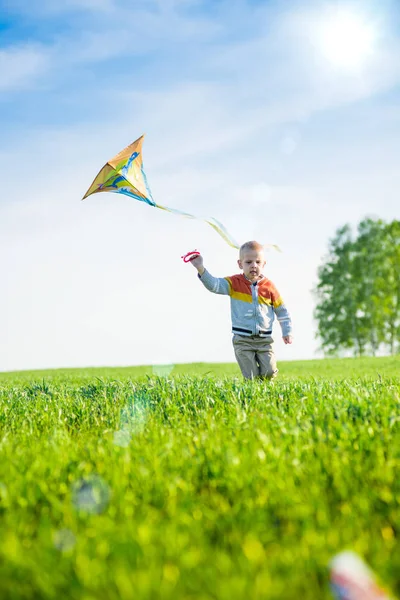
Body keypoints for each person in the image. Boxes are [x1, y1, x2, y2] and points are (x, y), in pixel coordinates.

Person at [187, 240, 293, 380]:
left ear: (264, 264)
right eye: (248, 262)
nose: (253, 265)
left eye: (258, 262)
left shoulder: (269, 287)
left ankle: (266, 393)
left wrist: (287, 331)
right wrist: (200, 268)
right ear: (240, 264)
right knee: (251, 376)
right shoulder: (234, 283)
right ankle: (253, 397)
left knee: (269, 372)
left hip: (264, 340)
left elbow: (282, 310)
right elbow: (215, 285)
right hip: (242, 340)